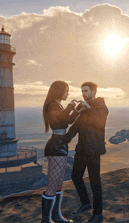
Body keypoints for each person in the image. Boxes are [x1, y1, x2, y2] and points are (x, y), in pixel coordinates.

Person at [64, 82, 108, 223]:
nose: (83, 93)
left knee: (95, 182)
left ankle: (98, 214)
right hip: (82, 150)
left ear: (94, 91)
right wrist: (62, 140)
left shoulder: (101, 107)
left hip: (94, 150)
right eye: (82, 91)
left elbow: (99, 122)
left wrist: (87, 107)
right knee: (75, 176)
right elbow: (75, 126)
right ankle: (86, 203)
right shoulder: (83, 108)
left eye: (86, 91)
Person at [42, 80, 81, 223]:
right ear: (58, 91)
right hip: (56, 145)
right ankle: (46, 220)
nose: (68, 93)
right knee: (52, 183)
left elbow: (68, 121)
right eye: (66, 90)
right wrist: (71, 106)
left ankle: (56, 216)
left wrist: (77, 109)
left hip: (61, 144)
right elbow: (63, 118)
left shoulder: (57, 105)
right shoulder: (52, 105)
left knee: (58, 183)